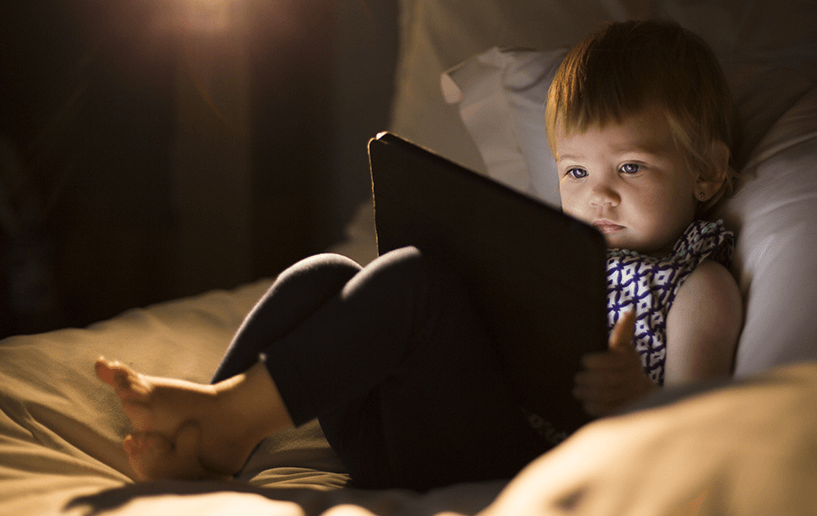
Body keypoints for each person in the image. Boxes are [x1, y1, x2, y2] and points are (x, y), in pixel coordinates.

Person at [95, 19, 742, 491]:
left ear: (708, 173)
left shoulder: (696, 288)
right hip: (407, 436)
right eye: (575, 173)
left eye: (631, 167)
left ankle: (225, 422)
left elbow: (698, 434)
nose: (599, 196)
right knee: (326, 276)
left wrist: (636, 396)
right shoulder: (555, 249)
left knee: (416, 286)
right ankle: (204, 435)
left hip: (514, 459)